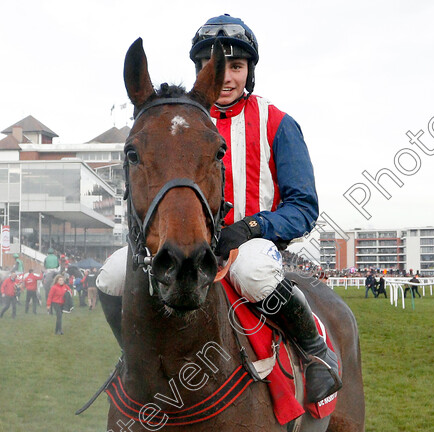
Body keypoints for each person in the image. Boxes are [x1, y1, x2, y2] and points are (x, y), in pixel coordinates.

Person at [96, 14, 339, 403]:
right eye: (215, 67)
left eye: (237, 67)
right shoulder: (181, 121)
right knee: (109, 277)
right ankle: (133, 357)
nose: (227, 78)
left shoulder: (278, 122)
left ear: (248, 71)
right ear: (203, 70)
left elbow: (304, 207)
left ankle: (316, 353)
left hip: (254, 243)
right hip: (189, 239)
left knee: (254, 271)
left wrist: (248, 229)